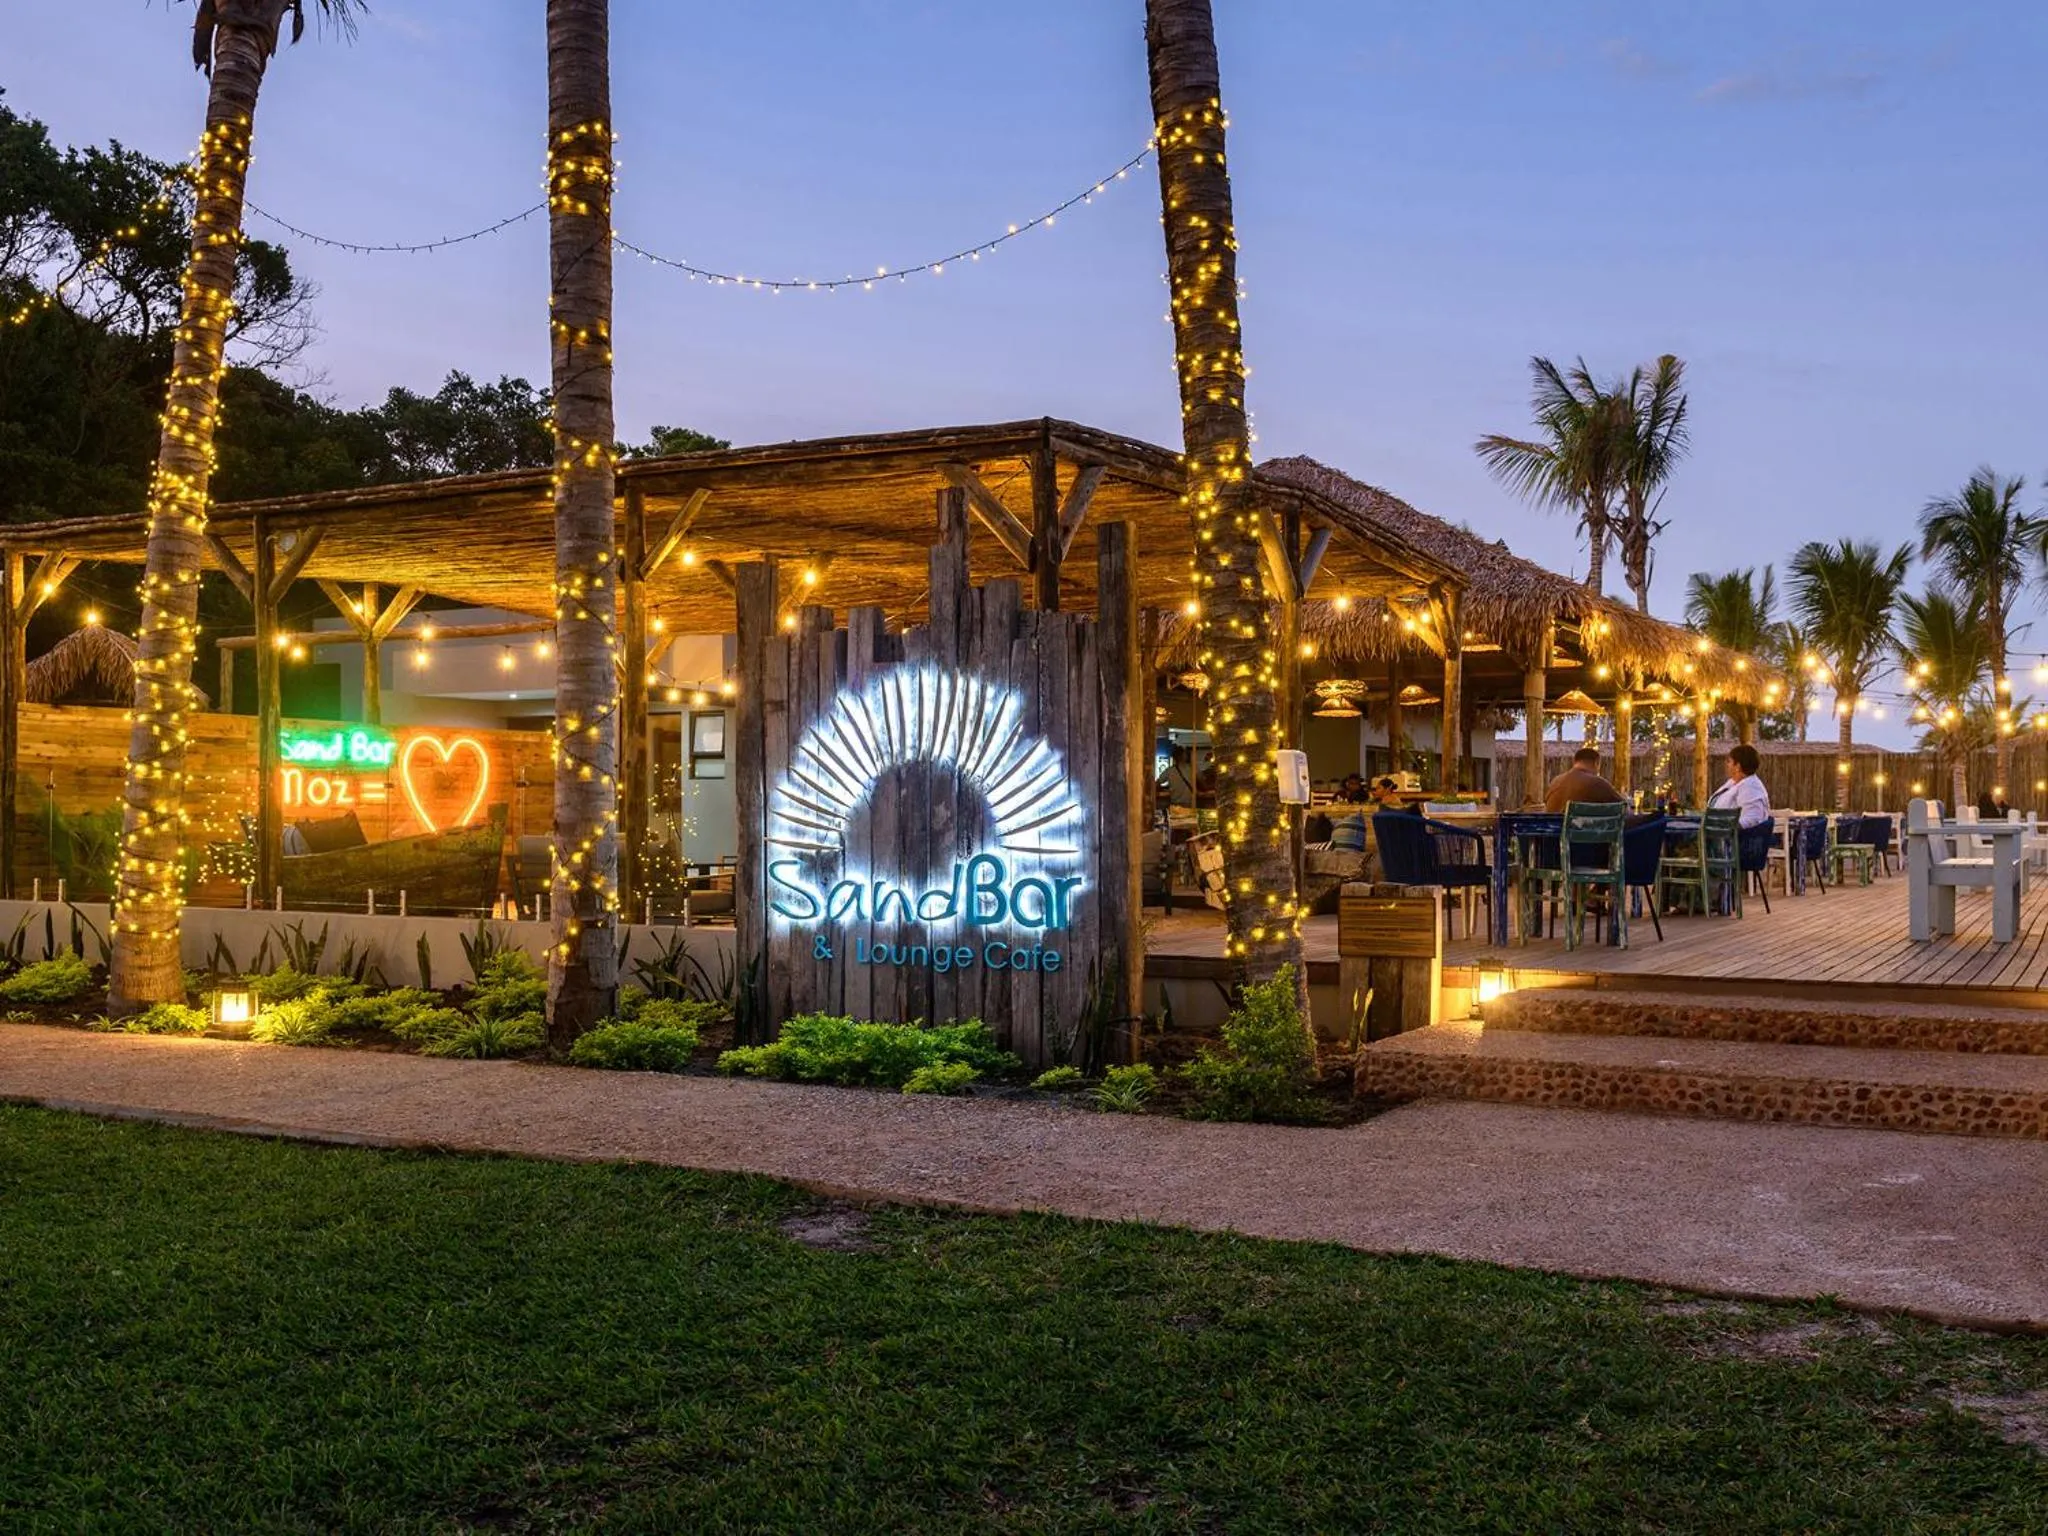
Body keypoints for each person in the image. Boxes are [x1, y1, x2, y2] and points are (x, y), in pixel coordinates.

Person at [1707, 742, 1771, 828]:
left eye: (1729, 761)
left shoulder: (1751, 787)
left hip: (1729, 837)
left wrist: (1725, 827)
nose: (1727, 765)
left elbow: (1753, 818)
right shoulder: (1732, 783)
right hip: (1713, 828)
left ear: (1738, 766)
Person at [1543, 746, 1625, 812]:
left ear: (1574, 762)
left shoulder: (1556, 781)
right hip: (1584, 831)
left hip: (1555, 831)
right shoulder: (1596, 783)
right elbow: (1623, 807)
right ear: (1596, 763)